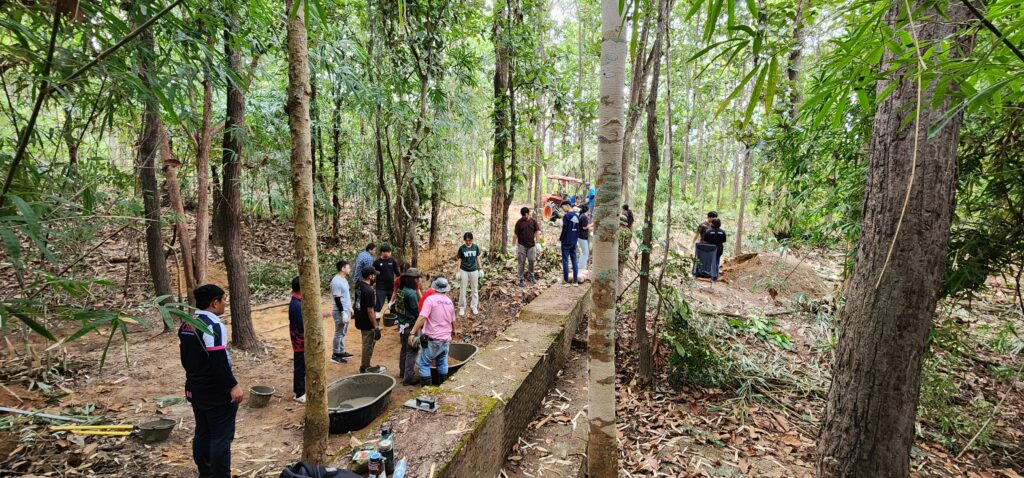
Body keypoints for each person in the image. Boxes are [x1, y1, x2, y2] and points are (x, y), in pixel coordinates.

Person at [178, 284, 243, 478]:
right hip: (214, 391)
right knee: (221, 437)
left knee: (203, 431)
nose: (225, 304)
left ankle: (205, 473)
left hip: (195, 387)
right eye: (223, 300)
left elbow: (185, 358)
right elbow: (218, 362)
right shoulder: (213, 325)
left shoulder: (187, 324)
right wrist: (232, 385)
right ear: (215, 303)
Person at [409, 277, 456, 386]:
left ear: (434, 287)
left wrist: (412, 332)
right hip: (445, 339)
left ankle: (427, 390)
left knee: (424, 364)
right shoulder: (449, 302)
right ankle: (442, 386)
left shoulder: (430, 300)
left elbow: (422, 317)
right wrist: (453, 331)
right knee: (442, 362)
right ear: (446, 289)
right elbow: (453, 320)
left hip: (433, 339)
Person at [394, 268, 422, 385]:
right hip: (410, 325)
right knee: (412, 351)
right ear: (412, 280)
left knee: (404, 349)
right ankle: (408, 377)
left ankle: (403, 372)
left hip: (402, 324)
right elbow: (416, 312)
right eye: (416, 279)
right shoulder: (411, 294)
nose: (418, 281)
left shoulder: (401, 290)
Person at [354, 266, 384, 373]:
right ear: (370, 276)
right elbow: (370, 310)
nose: (375, 277)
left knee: (367, 343)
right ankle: (365, 367)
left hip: (360, 319)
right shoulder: (369, 290)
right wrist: (376, 327)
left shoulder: (358, 285)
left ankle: (365, 365)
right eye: (374, 275)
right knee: (368, 344)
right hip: (367, 322)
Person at [329, 261, 353, 364]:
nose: (349, 269)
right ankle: (335, 354)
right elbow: (337, 299)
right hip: (339, 310)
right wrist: (342, 312)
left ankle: (341, 351)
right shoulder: (336, 281)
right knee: (338, 333)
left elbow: (346, 296)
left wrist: (350, 308)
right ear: (343, 269)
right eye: (348, 267)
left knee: (343, 332)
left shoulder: (344, 280)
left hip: (346, 309)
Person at [287, 277, 307, 403]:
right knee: (300, 366)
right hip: (300, 341)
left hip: (301, 339)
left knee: (303, 365)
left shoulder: (298, 301)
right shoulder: (296, 305)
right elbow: (302, 324)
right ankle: (299, 392)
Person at [455, 232, 483, 316]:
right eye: (466, 240)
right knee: (463, 289)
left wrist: (480, 269)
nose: (468, 242)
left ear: (472, 240)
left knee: (474, 289)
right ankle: (462, 307)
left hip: (474, 270)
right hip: (464, 270)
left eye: (469, 240)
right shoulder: (461, 248)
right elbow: (459, 259)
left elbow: (477, 258)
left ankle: (474, 306)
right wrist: (458, 271)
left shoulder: (475, 247)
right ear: (464, 240)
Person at [512, 207, 541, 287]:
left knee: (531, 260)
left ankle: (531, 275)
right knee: (521, 262)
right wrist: (513, 245)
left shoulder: (533, 221)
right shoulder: (519, 223)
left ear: (528, 213)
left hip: (531, 245)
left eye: (526, 215)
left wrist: (538, 242)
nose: (525, 217)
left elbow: (537, 231)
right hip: (522, 245)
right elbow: (515, 235)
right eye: (523, 216)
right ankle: (520, 278)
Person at [559, 200, 581, 286]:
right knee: (574, 259)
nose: (563, 209)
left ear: (567, 205)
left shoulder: (567, 216)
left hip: (566, 241)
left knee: (565, 260)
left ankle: (566, 281)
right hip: (574, 241)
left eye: (563, 207)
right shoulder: (576, 216)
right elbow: (578, 230)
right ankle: (575, 281)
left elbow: (564, 229)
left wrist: (561, 239)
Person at [373, 244, 398, 313]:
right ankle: (375, 318)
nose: (390, 253)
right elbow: (373, 274)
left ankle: (393, 318)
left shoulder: (392, 260)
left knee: (392, 304)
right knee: (379, 304)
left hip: (391, 287)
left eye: (390, 251)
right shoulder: (376, 262)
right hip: (381, 287)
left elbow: (397, 272)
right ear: (382, 252)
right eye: (388, 252)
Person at [578, 205, 591, 278]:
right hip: (582, 237)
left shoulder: (582, 216)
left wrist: (591, 226)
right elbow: (584, 227)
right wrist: (593, 224)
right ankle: (582, 267)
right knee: (585, 252)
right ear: (587, 209)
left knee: (583, 252)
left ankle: (581, 266)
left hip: (581, 236)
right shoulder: (584, 217)